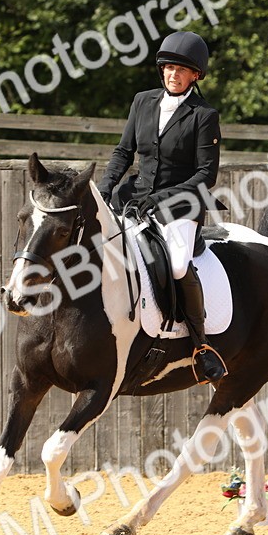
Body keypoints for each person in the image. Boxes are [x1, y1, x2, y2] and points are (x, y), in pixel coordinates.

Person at [97, 31, 228, 383]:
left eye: (181, 70)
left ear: (195, 75)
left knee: (178, 265)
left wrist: (161, 199)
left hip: (181, 205)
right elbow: (124, 152)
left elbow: (205, 174)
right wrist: (104, 188)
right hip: (135, 196)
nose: (173, 74)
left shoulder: (204, 115)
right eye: (169, 67)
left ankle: (201, 346)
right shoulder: (142, 101)